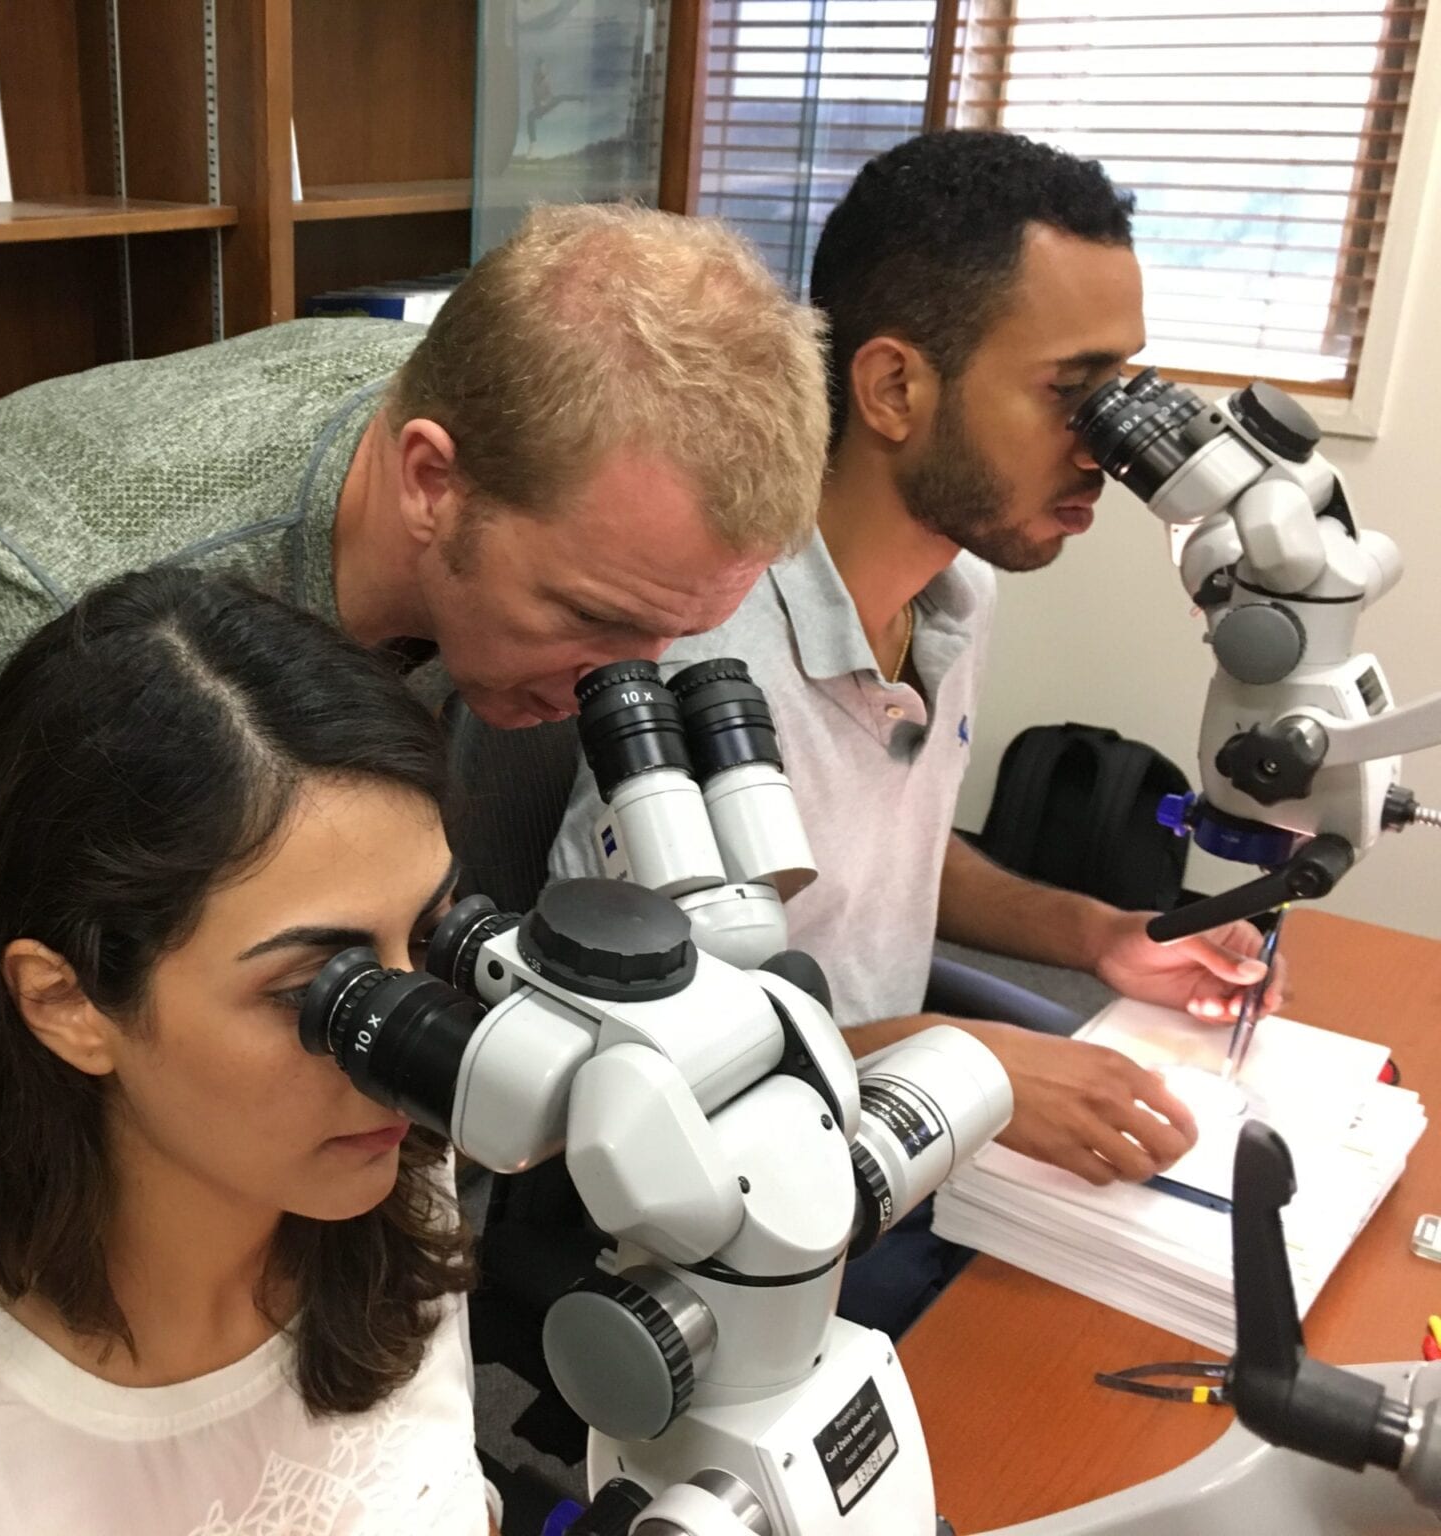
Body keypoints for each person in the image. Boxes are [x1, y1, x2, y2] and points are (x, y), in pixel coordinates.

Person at [0, 204, 830, 1034]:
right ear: (428, 480)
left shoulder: (504, 443)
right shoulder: (43, 593)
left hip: (179, 837)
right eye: (589, 619)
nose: (611, 687)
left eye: (663, 642)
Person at [550, 133, 1287, 1325]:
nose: (1110, 450)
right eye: (1072, 393)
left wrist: (1094, 930)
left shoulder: (955, 597)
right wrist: (964, 1053)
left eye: (1126, 395)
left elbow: (878, 856)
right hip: (738, 1202)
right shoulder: (705, 656)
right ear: (894, 388)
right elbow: (632, 1053)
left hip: (902, 1110)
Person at [0, 569, 497, 1535]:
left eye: (434, 937)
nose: (408, 1050)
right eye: (321, 995)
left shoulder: (399, 1181)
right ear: (67, 1001)